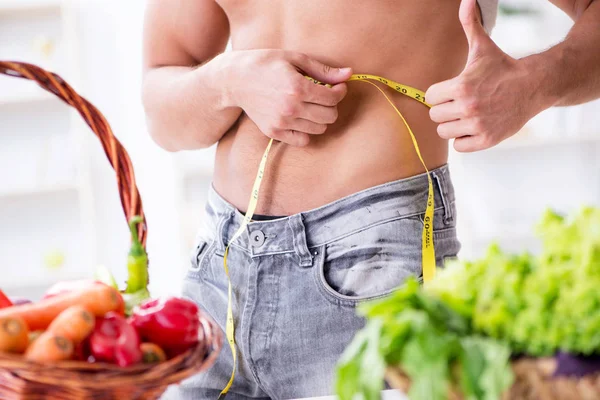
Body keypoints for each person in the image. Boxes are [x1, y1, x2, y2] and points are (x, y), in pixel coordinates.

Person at [142, 0, 600, 398]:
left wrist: (534, 83)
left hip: (374, 268)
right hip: (218, 271)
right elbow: (162, 107)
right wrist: (228, 80)